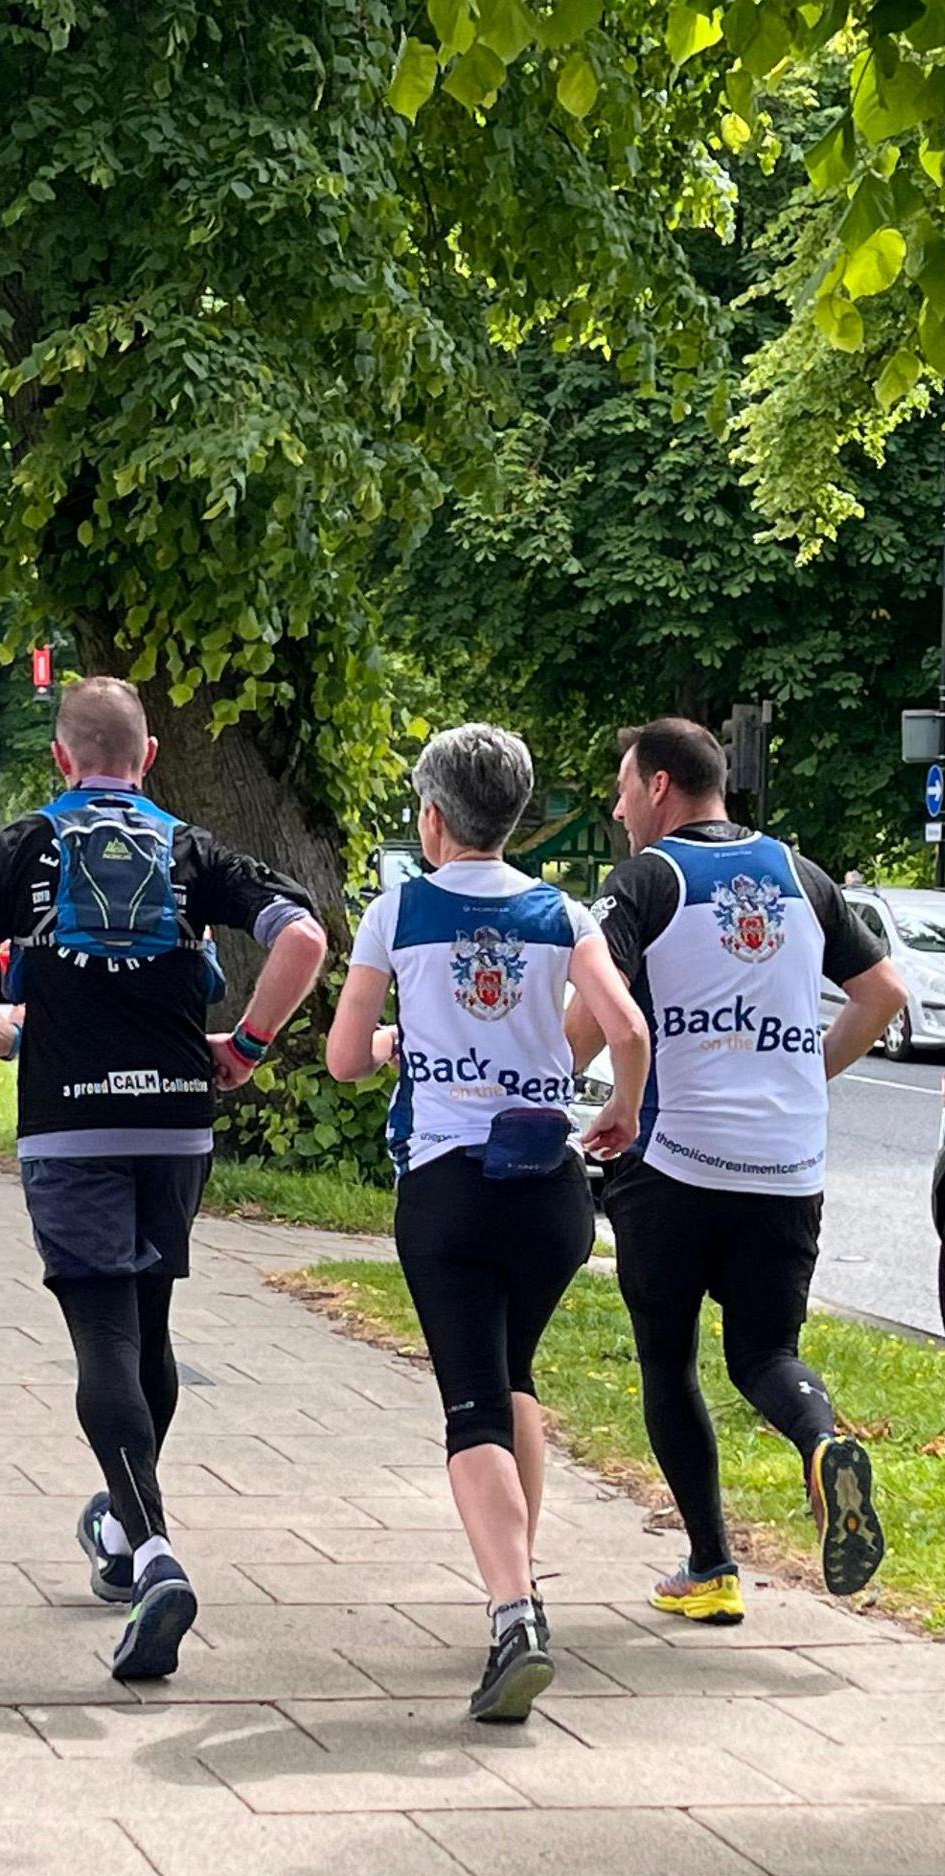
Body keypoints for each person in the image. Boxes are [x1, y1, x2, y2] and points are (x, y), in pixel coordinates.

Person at [0, 677, 329, 1683]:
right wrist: (249, 1047)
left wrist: (5, 1036)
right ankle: (124, 1523)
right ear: (146, 759)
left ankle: (153, 1553)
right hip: (175, 1124)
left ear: (62, 758)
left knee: (101, 1335)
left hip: (71, 1123)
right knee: (150, 1328)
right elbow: (306, 936)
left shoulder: (20, 846)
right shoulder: (191, 847)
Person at [326, 725, 649, 1721]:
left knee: (471, 1404)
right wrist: (620, 1108)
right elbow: (627, 1029)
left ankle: (514, 1613)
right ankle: (521, 1580)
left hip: (449, 1188)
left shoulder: (399, 910)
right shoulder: (562, 910)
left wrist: (388, 1044)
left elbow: (341, 1057)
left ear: (432, 817)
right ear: (514, 815)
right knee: (515, 1377)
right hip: (550, 1189)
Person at [578, 717, 911, 1622]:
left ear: (658, 786)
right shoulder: (803, 878)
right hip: (787, 1164)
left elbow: (586, 1015)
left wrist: (549, 1089)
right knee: (765, 1352)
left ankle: (712, 1565)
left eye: (621, 787)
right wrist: (804, 1070)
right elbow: (882, 995)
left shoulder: (648, 879)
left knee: (668, 1360)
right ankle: (822, 1442)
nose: (616, 808)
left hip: (675, 1162)